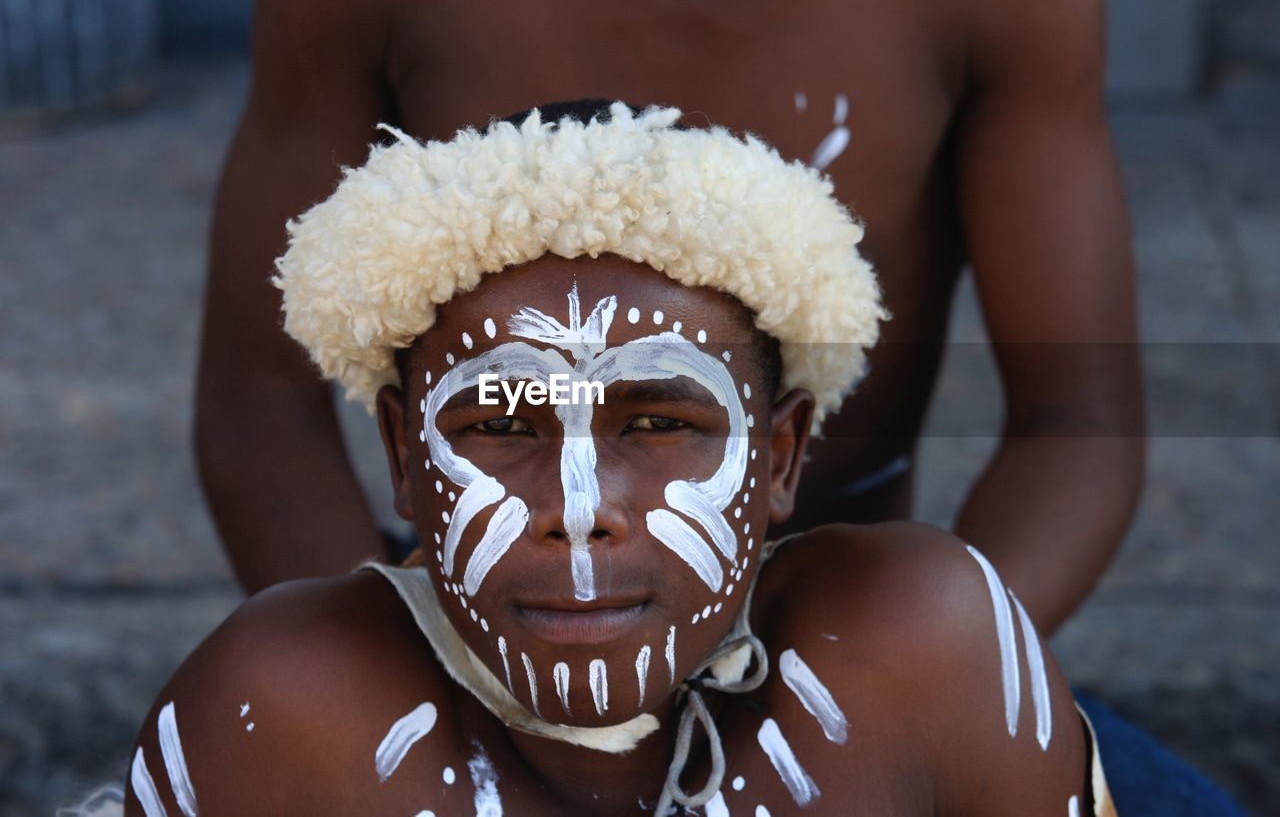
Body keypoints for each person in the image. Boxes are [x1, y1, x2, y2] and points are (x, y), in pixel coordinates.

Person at [130, 104, 1114, 816]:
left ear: (779, 456)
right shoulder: (280, 711)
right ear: (401, 450)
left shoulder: (926, 657)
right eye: (500, 426)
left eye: (654, 426)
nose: (579, 506)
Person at [196, 0, 1143, 638]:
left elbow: (1078, 421)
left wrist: (915, 674)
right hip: (480, 623)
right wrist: (400, 684)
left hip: (837, 629)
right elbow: (261, 404)